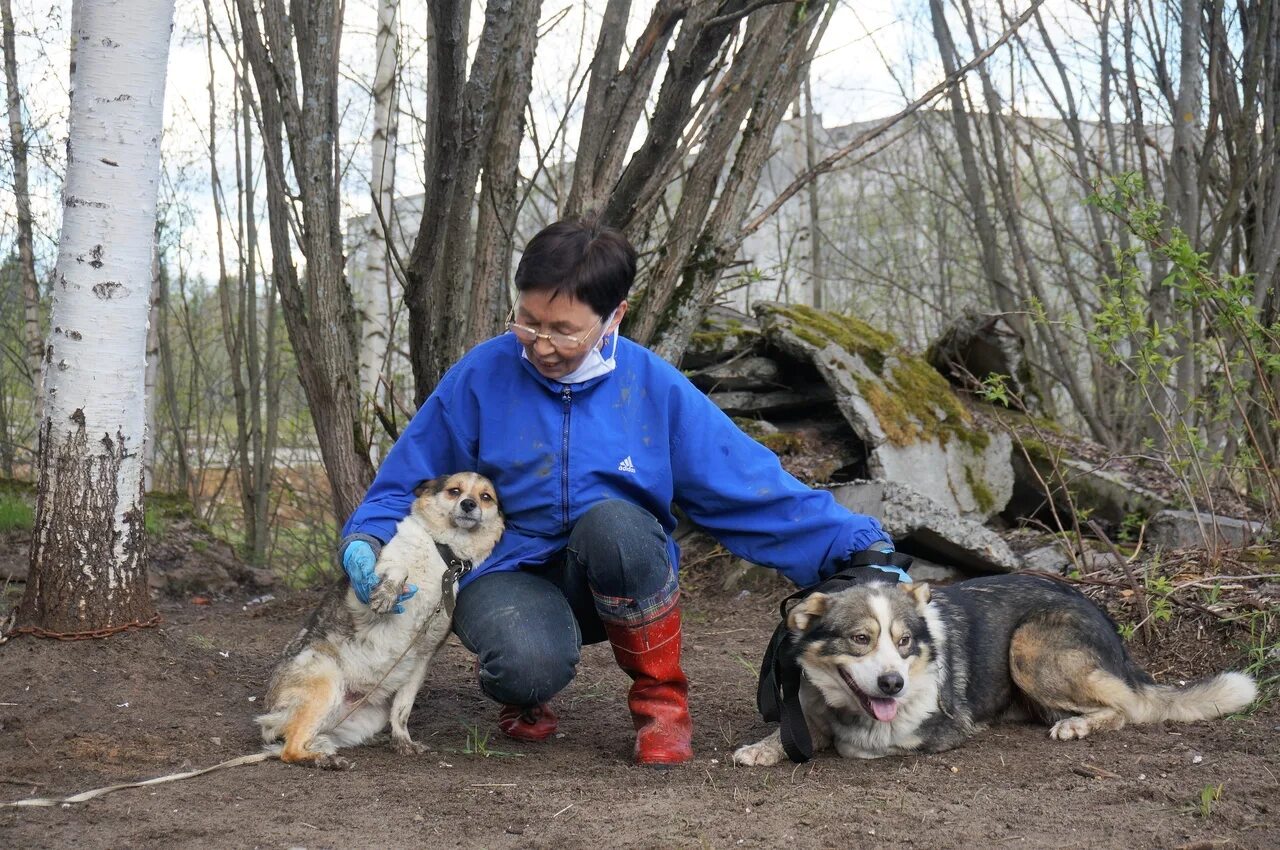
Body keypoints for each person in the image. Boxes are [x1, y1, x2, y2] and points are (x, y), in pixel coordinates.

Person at [339, 220, 901, 766]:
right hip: (506, 570)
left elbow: (750, 486)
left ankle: (661, 706)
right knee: (525, 664)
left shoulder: (652, 386)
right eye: (527, 321)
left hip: (616, 570)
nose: (539, 344)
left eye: (563, 329)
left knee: (619, 523)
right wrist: (366, 538)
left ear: (614, 317)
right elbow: (407, 479)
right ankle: (526, 688)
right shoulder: (481, 376)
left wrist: (858, 544)